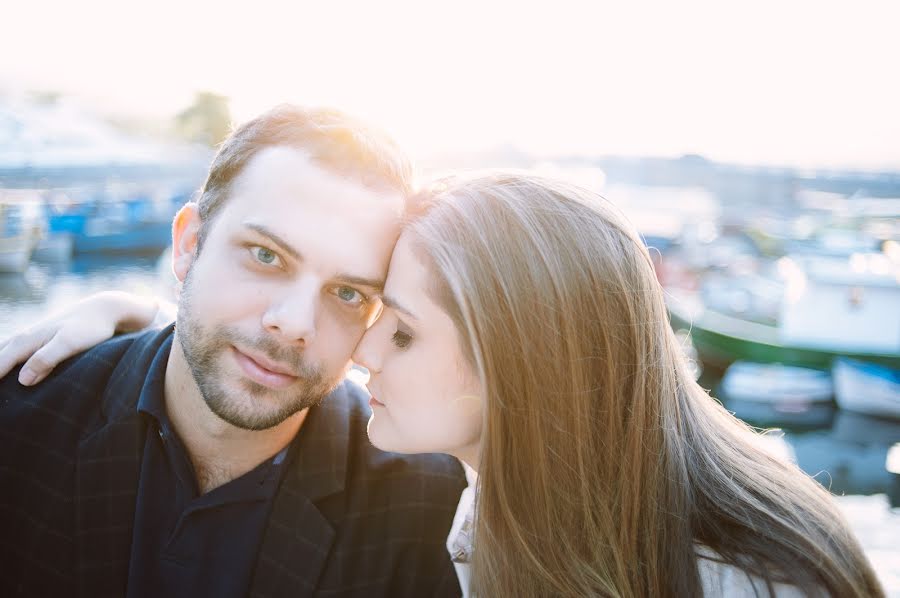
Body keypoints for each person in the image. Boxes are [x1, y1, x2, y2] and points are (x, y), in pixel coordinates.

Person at [2, 177, 884, 596]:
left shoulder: (744, 581)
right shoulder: (482, 507)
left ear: (520, 359)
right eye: (373, 310)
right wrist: (164, 319)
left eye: (398, 325)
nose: (360, 350)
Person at [0, 105, 466, 598]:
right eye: (266, 256)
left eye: (347, 293)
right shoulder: (21, 425)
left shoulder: (419, 502)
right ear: (188, 244)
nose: (294, 323)